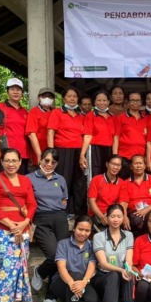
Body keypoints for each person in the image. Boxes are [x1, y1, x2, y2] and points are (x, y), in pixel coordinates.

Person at [0, 148, 37, 302]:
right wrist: (11, 225)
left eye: (14, 160)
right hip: (3, 230)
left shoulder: (25, 180)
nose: (11, 164)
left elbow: (32, 204)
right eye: (7, 160)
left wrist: (25, 222)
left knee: (19, 270)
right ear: (2, 162)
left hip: (22, 230)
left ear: (20, 162)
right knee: (6, 271)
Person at [28, 148, 69, 302]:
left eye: (53, 162)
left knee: (63, 257)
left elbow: (64, 200)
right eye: (46, 160)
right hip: (41, 218)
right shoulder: (29, 179)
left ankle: (51, 297)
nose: (49, 164)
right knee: (54, 255)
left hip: (59, 218)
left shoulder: (61, 179)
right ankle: (40, 271)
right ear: (40, 160)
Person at [92, 204, 136, 302]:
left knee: (129, 275)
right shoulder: (99, 236)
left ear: (123, 218)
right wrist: (120, 269)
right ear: (106, 217)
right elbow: (103, 263)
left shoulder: (128, 235)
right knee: (113, 276)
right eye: (112, 216)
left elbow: (128, 261)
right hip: (102, 276)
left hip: (120, 273)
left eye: (119, 216)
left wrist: (127, 270)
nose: (116, 220)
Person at [49, 215, 97, 302]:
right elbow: (61, 267)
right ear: (74, 228)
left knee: (92, 301)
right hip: (61, 283)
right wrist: (71, 282)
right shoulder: (63, 244)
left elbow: (92, 265)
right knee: (75, 274)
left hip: (82, 283)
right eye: (80, 229)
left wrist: (84, 282)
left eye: (87, 230)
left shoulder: (91, 246)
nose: (83, 233)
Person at [47, 86, 87, 216]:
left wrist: (83, 154)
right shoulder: (57, 112)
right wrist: (51, 152)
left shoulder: (81, 115)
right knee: (63, 180)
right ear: (64, 98)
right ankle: (61, 209)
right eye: (69, 96)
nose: (72, 99)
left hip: (78, 151)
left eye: (74, 96)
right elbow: (50, 132)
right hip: (62, 150)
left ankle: (76, 211)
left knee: (78, 181)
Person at [0, 77, 29, 171]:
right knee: (7, 183)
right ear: (7, 91)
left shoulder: (25, 112)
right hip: (7, 154)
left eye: (18, 89)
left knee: (20, 182)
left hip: (23, 155)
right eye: (12, 89)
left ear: (22, 92)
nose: (16, 92)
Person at [119, 155, 151, 236]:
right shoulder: (126, 183)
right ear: (131, 167)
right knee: (135, 220)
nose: (138, 166)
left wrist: (147, 210)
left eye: (140, 163)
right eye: (136, 163)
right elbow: (123, 203)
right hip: (135, 213)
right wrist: (124, 216)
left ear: (145, 166)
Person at [80, 90, 116, 177]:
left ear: (108, 101)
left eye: (104, 100)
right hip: (94, 149)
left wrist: (115, 155)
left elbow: (115, 137)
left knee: (108, 174)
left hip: (109, 149)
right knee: (95, 175)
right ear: (94, 102)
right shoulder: (90, 115)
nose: (102, 103)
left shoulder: (113, 117)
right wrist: (82, 155)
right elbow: (87, 136)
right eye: (99, 100)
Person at [113, 92, 148, 178]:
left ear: (141, 102)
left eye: (137, 101)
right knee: (124, 183)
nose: (135, 103)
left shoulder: (146, 119)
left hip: (140, 158)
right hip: (125, 157)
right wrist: (115, 156)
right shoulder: (121, 117)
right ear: (128, 103)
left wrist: (147, 157)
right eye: (132, 100)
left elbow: (149, 140)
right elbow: (116, 137)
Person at [88, 155, 124, 229]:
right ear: (107, 164)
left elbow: (121, 203)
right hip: (98, 214)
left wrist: (113, 216)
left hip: (113, 214)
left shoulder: (122, 183)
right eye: (113, 164)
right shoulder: (96, 180)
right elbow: (91, 201)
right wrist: (102, 217)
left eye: (118, 165)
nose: (115, 167)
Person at [26, 87, 55, 167]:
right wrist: (39, 154)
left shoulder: (55, 112)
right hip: (39, 152)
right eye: (44, 96)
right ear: (39, 98)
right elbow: (31, 134)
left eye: (50, 97)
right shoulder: (34, 112)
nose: (47, 98)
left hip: (54, 152)